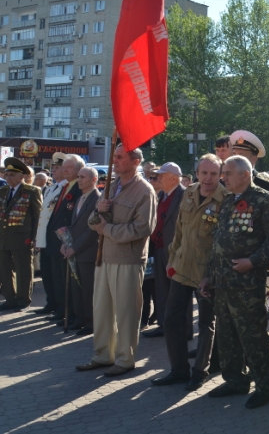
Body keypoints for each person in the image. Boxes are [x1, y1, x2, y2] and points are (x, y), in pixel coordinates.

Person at [198, 155, 269, 409]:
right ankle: (235, 380)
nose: (223, 177)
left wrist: (253, 261)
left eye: (228, 173)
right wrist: (208, 276)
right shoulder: (228, 200)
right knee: (227, 336)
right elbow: (219, 244)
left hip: (247, 284)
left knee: (253, 336)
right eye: (223, 173)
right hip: (222, 283)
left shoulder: (262, 200)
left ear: (245, 174)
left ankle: (264, 387)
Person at [77, 145, 157, 378]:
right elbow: (93, 223)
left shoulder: (144, 190)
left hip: (128, 259)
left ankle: (125, 358)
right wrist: (98, 211)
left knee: (126, 311)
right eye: (115, 156)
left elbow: (143, 228)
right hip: (104, 257)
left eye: (120, 157)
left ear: (135, 161)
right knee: (101, 310)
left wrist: (108, 229)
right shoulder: (111, 186)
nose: (116, 160)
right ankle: (102, 355)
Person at [151, 154, 228, 391]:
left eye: (213, 174)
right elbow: (180, 231)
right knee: (172, 320)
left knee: (206, 324)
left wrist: (213, 274)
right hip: (182, 268)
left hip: (207, 273)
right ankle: (179, 369)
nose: (208, 178)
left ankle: (200, 371)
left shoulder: (226, 199)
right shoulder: (190, 192)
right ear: (196, 173)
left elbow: (224, 242)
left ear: (220, 175)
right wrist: (172, 258)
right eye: (204, 173)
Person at [142, 162, 185, 339]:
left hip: (174, 250)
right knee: (161, 289)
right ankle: (163, 324)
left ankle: (179, 328)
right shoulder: (163, 195)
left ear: (173, 178)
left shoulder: (183, 195)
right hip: (159, 247)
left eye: (162, 175)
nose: (158, 178)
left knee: (176, 291)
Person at [46, 154, 85, 327]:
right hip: (57, 241)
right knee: (59, 279)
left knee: (68, 281)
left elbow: (73, 218)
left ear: (78, 170)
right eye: (64, 167)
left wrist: (67, 240)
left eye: (68, 167)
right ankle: (63, 310)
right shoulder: (65, 187)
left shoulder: (78, 188)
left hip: (68, 241)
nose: (64, 169)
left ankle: (70, 313)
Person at [0, 158, 42, 311]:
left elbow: (38, 216)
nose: (8, 178)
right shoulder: (3, 191)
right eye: (6, 174)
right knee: (4, 269)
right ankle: (10, 299)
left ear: (21, 176)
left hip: (22, 237)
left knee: (23, 269)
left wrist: (37, 238)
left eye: (11, 175)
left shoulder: (31, 191)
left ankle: (23, 299)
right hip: (3, 236)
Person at [64, 166, 100, 336]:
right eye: (78, 176)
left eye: (83, 177)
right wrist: (66, 242)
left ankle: (90, 322)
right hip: (74, 251)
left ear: (94, 180)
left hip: (87, 252)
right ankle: (79, 319)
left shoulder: (97, 199)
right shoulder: (80, 198)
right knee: (76, 288)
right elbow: (74, 225)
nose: (79, 180)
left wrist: (74, 247)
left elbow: (91, 230)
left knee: (88, 289)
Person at [34, 152, 67, 315]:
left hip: (55, 238)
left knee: (57, 276)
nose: (53, 170)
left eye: (57, 167)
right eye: (52, 167)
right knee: (47, 274)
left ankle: (60, 306)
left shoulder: (65, 188)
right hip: (45, 238)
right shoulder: (51, 188)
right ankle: (51, 302)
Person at [229, 130, 269, 199]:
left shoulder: (267, 184)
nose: (236, 158)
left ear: (254, 159)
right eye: (234, 154)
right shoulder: (225, 182)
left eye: (241, 155)